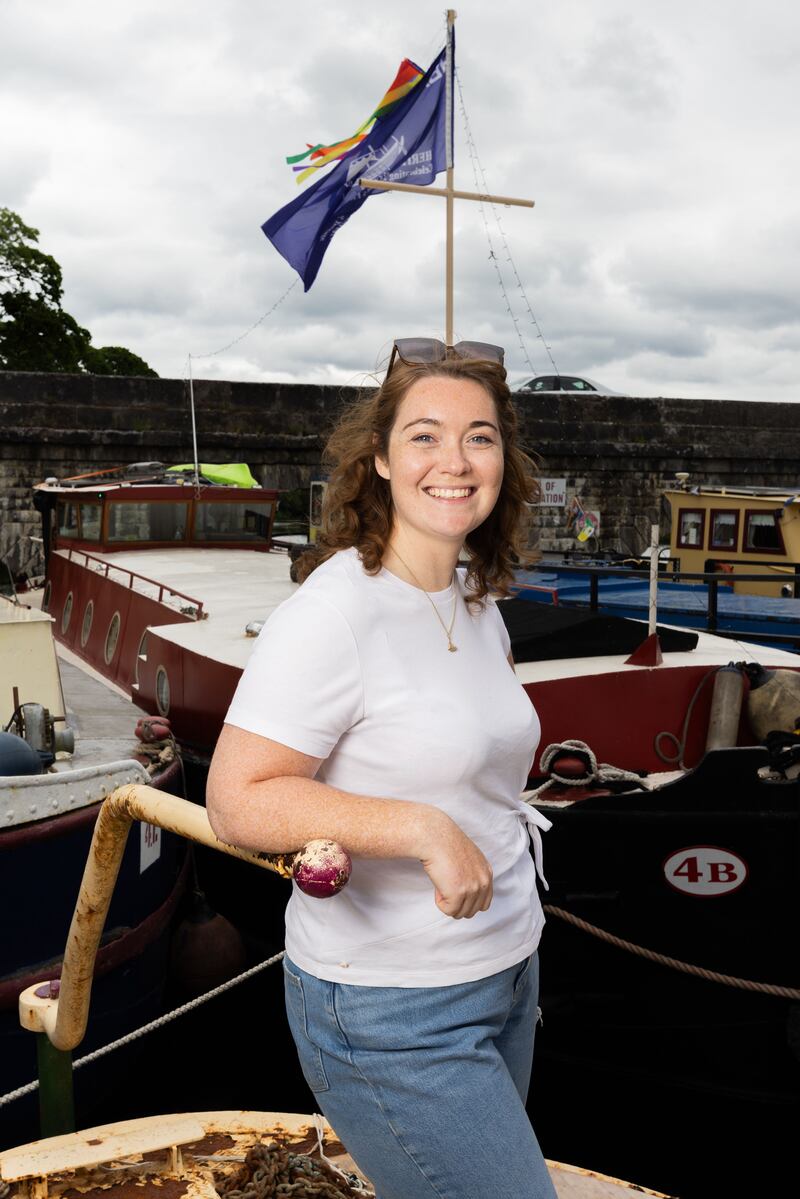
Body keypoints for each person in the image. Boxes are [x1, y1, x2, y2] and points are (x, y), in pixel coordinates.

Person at [206, 338, 557, 1199]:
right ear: (380, 458)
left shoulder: (473, 593)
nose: (455, 460)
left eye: (479, 436)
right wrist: (419, 826)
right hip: (394, 1009)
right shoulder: (334, 612)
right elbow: (236, 799)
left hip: (506, 970)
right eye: (426, 435)